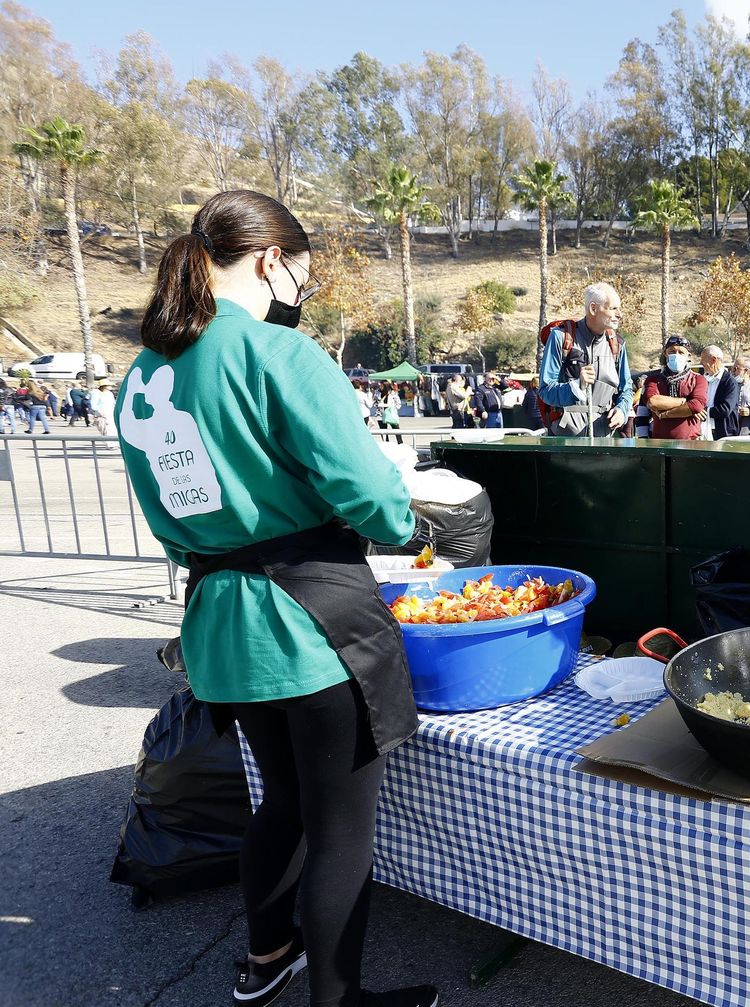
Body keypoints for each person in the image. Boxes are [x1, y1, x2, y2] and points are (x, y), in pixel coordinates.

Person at [116, 190, 437, 1007]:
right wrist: (404, 519)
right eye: (303, 271)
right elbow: (371, 494)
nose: (302, 286)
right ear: (270, 260)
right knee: (340, 830)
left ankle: (265, 961)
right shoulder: (277, 355)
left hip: (221, 623)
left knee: (284, 801)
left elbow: (169, 517)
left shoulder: (143, 374)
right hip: (310, 619)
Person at [537, 282, 632, 437]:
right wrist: (576, 386)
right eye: (613, 308)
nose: (619, 314)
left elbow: (626, 389)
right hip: (564, 444)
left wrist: (622, 410)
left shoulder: (618, 345)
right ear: (593, 308)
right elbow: (545, 390)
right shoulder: (560, 337)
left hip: (604, 442)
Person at [642, 336, 708, 440]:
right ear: (665, 354)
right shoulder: (653, 380)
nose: (676, 355)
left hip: (690, 444)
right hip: (659, 442)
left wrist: (665, 414)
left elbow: (696, 406)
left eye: (681, 352)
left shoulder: (698, 379)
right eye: (672, 351)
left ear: (688, 356)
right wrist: (685, 401)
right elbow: (653, 402)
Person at [700, 345, 739, 440]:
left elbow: (725, 409)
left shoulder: (730, 382)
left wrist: (703, 411)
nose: (701, 362)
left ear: (713, 360)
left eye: (703, 359)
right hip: (704, 431)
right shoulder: (703, 379)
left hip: (724, 434)